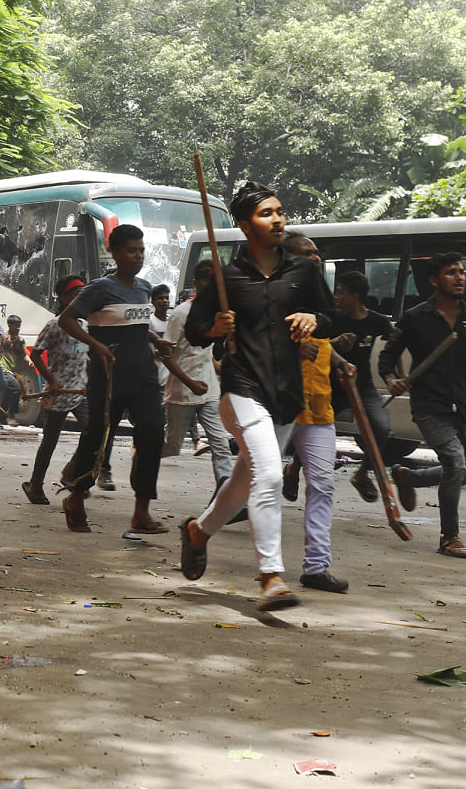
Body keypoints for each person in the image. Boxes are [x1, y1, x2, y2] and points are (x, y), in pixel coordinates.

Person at [178, 181, 333, 612]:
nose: (278, 219)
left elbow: (332, 316)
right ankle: (270, 576)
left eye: (280, 211)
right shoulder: (226, 278)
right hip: (242, 389)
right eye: (267, 214)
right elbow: (194, 330)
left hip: (285, 392)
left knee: (245, 477)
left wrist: (313, 316)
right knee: (267, 476)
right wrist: (215, 328)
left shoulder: (303, 272)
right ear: (245, 226)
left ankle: (198, 532)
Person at [56, 224, 172, 538]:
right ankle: (76, 496)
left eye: (141, 249)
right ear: (115, 252)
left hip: (144, 375)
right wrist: (96, 345)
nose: (138, 255)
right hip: (108, 377)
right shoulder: (99, 288)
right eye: (132, 250)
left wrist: (156, 341)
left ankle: (141, 512)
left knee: (151, 433)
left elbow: (135, 323)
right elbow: (66, 319)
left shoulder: (144, 287)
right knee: (97, 437)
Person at [378, 252, 466, 559]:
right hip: (429, 404)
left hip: (462, 404)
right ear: (434, 280)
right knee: (454, 464)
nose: (460, 276)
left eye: (461, 271)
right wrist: (391, 380)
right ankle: (449, 537)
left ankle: (408, 477)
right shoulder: (415, 317)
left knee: (464, 472)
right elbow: (388, 356)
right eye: (451, 272)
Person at [274, 233, 349, 593]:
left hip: (319, 407)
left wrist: (339, 359)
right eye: (307, 254)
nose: (316, 259)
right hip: (278, 404)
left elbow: (320, 341)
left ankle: (316, 567)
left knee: (322, 484)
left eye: (318, 253)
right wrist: (289, 354)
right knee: (259, 483)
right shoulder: (274, 296)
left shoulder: (320, 302)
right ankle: (204, 529)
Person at [327, 269, 398, 501]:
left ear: (355, 296)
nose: (337, 297)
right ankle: (294, 468)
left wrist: (397, 376)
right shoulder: (332, 318)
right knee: (311, 430)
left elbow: (396, 346)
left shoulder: (377, 321)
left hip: (363, 385)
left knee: (381, 428)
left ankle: (362, 474)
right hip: (332, 386)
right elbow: (315, 345)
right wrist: (334, 342)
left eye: (340, 293)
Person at [162, 260, 234, 484]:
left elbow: (203, 350)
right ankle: (145, 455)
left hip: (210, 390)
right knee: (172, 446)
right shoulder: (181, 314)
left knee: (221, 443)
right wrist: (190, 382)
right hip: (182, 393)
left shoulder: (218, 313)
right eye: (207, 282)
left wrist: (217, 367)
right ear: (195, 284)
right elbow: (167, 354)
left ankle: (224, 491)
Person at [24, 275, 90, 505]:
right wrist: (51, 381)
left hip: (80, 392)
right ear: (63, 299)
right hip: (58, 394)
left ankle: (72, 473)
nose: (80, 300)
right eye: (74, 295)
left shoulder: (85, 325)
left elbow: (85, 355)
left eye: (83, 295)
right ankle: (35, 484)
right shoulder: (55, 325)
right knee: (50, 440)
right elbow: (35, 354)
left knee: (92, 435)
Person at [0, 316, 31, 427]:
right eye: (16, 326)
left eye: (19, 326)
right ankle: (11, 415)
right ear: (10, 325)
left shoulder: (20, 340)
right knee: (16, 388)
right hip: (3, 368)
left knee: (9, 394)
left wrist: (30, 361)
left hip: (12, 370)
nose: (18, 328)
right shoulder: (4, 339)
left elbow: (25, 354)